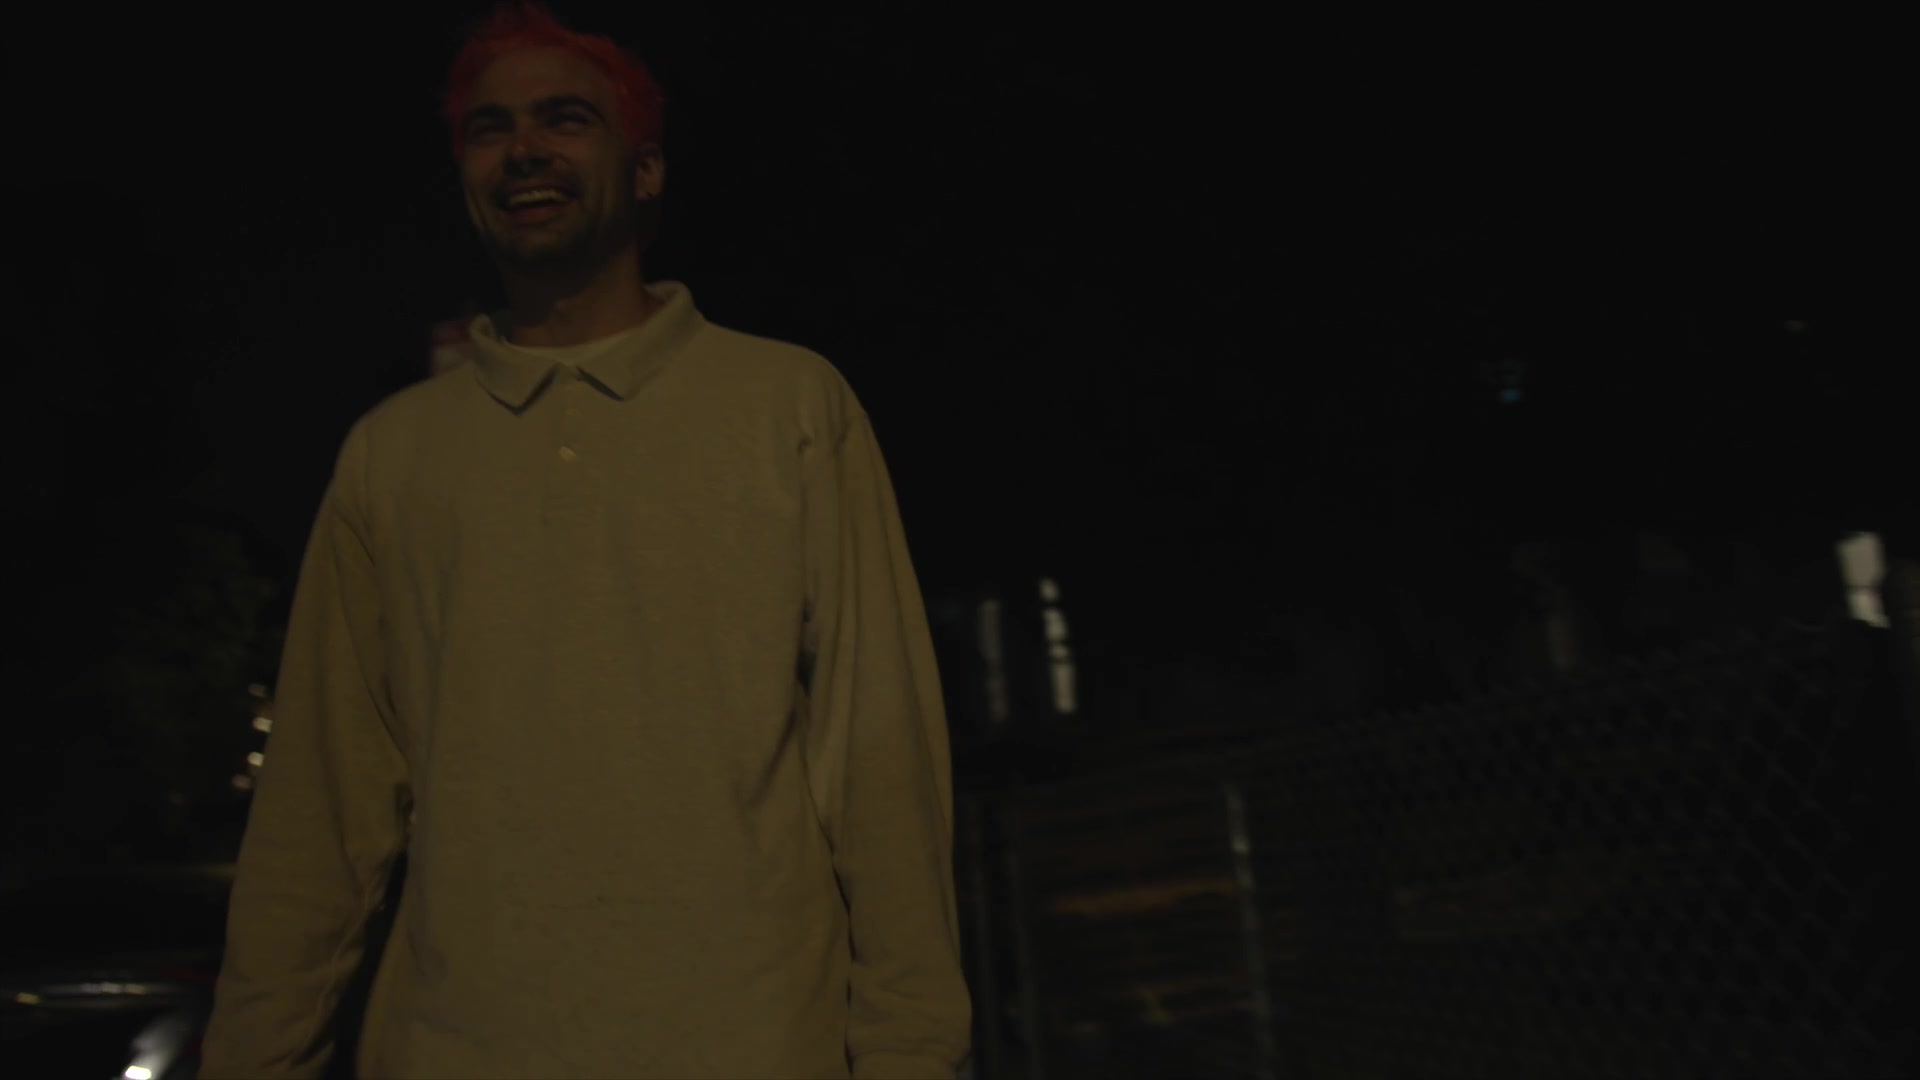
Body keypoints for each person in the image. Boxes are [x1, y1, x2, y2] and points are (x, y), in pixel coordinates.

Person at [198, 4, 971, 1077]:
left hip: (750, 1046)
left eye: (565, 119)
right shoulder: (394, 457)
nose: (523, 149)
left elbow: (881, 763)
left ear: (645, 170)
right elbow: (320, 814)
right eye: (489, 129)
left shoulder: (787, 406)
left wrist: (913, 1051)